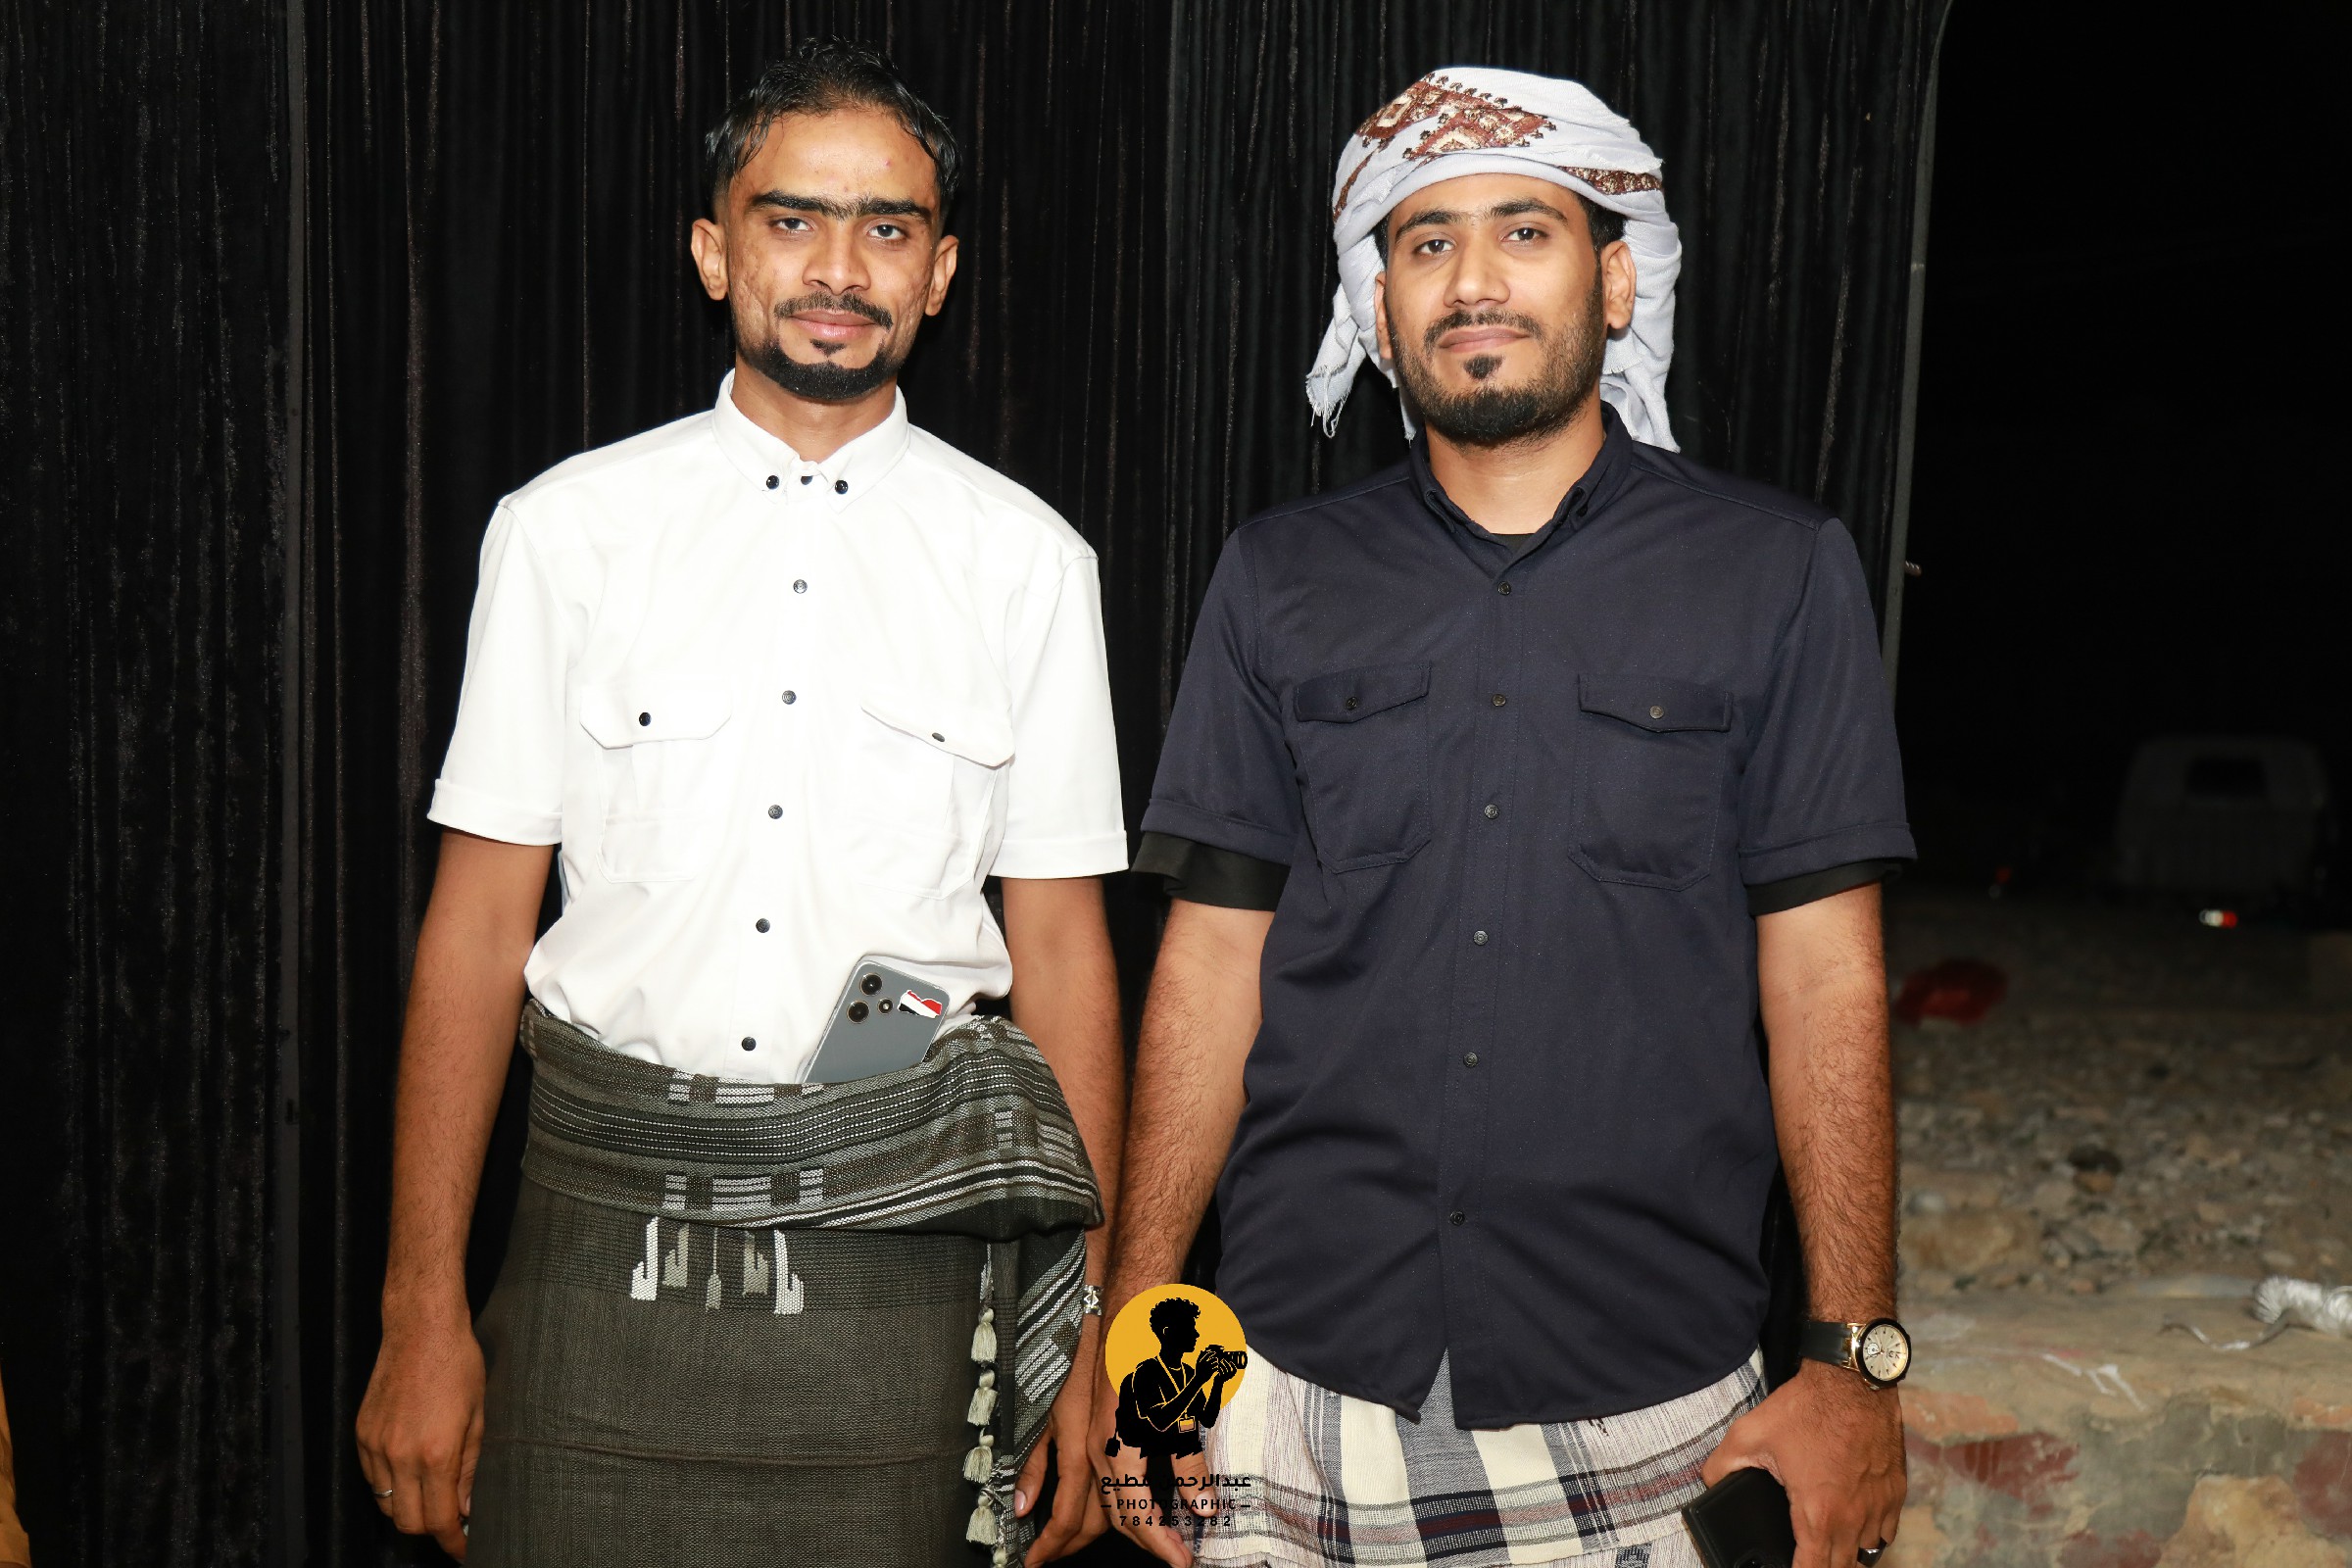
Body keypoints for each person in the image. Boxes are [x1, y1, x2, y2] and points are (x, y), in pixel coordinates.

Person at [1094, 68, 1914, 1568]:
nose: (1472, 280)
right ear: (1380, 304)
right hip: (1292, 1384)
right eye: (1427, 243)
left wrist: (1853, 1359)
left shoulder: (1778, 573)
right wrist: (1142, 1327)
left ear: (1616, 279)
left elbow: (1827, 982)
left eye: (1524, 232)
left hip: (1648, 1397)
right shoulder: (1277, 576)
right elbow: (1209, 963)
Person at [354, 40, 1127, 1568]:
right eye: (793, 220)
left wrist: (1088, 1333)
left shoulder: (1029, 562)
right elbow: (477, 931)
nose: (840, 267)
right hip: (593, 1239)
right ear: (716, 252)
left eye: (888, 227)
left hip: (904, 1261)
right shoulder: (567, 532)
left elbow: (1065, 955)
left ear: (940, 274)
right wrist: (418, 1305)